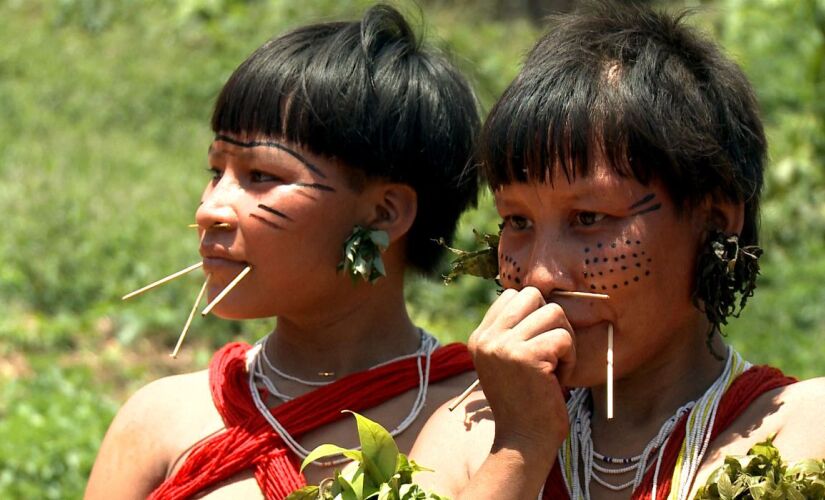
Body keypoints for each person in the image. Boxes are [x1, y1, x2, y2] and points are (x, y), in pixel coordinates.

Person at [410, 2, 825, 499]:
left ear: (715, 218)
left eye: (589, 219)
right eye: (518, 221)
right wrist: (522, 445)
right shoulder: (468, 438)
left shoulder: (796, 433)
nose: (541, 275)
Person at [85, 5, 479, 499]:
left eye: (262, 176)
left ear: (383, 213)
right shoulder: (159, 422)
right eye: (216, 172)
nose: (210, 209)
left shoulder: (476, 424)